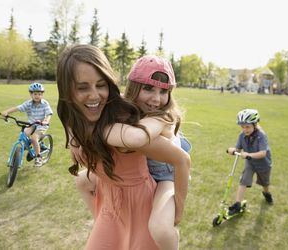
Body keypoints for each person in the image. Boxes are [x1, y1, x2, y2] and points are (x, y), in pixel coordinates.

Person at [56, 44, 190, 250]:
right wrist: (74, 136)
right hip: (114, 198)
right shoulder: (86, 117)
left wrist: (163, 120)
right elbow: (70, 113)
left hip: (151, 187)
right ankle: (102, 222)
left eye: (100, 85)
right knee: (82, 180)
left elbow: (179, 159)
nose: (93, 95)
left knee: (161, 230)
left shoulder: (126, 125)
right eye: (82, 87)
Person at [226, 109, 273, 216]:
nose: (245, 129)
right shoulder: (242, 135)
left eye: (247, 127)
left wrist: (248, 155)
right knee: (243, 180)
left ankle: (266, 193)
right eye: (242, 127)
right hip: (250, 163)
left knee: (264, 183)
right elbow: (238, 149)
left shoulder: (261, 136)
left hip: (263, 164)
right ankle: (237, 204)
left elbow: (263, 153)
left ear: (255, 125)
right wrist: (233, 150)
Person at [0, 82, 53, 167]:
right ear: (31, 94)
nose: (37, 96)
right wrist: (6, 112)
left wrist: (46, 121)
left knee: (34, 138)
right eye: (35, 94)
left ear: (42, 94)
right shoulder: (28, 103)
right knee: (24, 133)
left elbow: (49, 114)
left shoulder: (45, 104)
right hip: (32, 124)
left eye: (39, 94)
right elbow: (17, 108)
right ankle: (33, 147)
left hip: (41, 125)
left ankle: (39, 158)